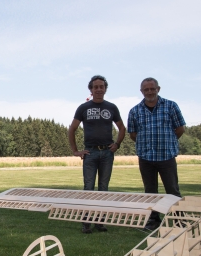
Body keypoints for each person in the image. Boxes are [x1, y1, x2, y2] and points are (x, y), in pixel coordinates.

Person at [69, 75, 126, 234]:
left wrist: (117, 144)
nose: (99, 89)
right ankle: (86, 222)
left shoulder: (112, 108)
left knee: (103, 188)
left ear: (105, 89)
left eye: (102, 87)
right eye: (96, 87)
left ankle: (100, 222)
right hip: (90, 152)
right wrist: (75, 151)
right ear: (91, 90)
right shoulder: (83, 108)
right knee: (88, 187)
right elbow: (72, 129)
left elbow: (122, 128)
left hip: (107, 153)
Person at [127, 77, 186, 231]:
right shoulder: (135, 111)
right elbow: (133, 134)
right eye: (146, 89)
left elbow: (180, 129)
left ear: (158, 89)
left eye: (152, 89)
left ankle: (179, 221)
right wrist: (146, 145)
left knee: (172, 190)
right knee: (150, 192)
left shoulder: (171, 106)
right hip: (146, 158)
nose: (149, 92)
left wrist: (168, 142)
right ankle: (153, 221)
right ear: (141, 91)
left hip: (166, 156)